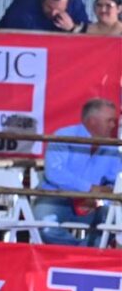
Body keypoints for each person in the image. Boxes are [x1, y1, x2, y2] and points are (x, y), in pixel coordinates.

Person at [33, 98, 120, 247]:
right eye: (109, 120)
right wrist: (89, 189)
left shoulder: (111, 147)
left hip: (93, 204)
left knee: (116, 219)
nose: (113, 125)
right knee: (44, 225)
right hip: (56, 198)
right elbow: (54, 172)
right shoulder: (63, 136)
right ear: (92, 121)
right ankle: (82, 251)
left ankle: (82, 253)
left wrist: (99, 198)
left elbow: (117, 182)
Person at [0, 0, 89, 32]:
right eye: (49, 7)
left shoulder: (75, 3)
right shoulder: (25, 3)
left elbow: (86, 32)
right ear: (42, 0)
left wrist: (72, 28)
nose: (53, 13)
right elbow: (17, 34)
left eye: (59, 10)